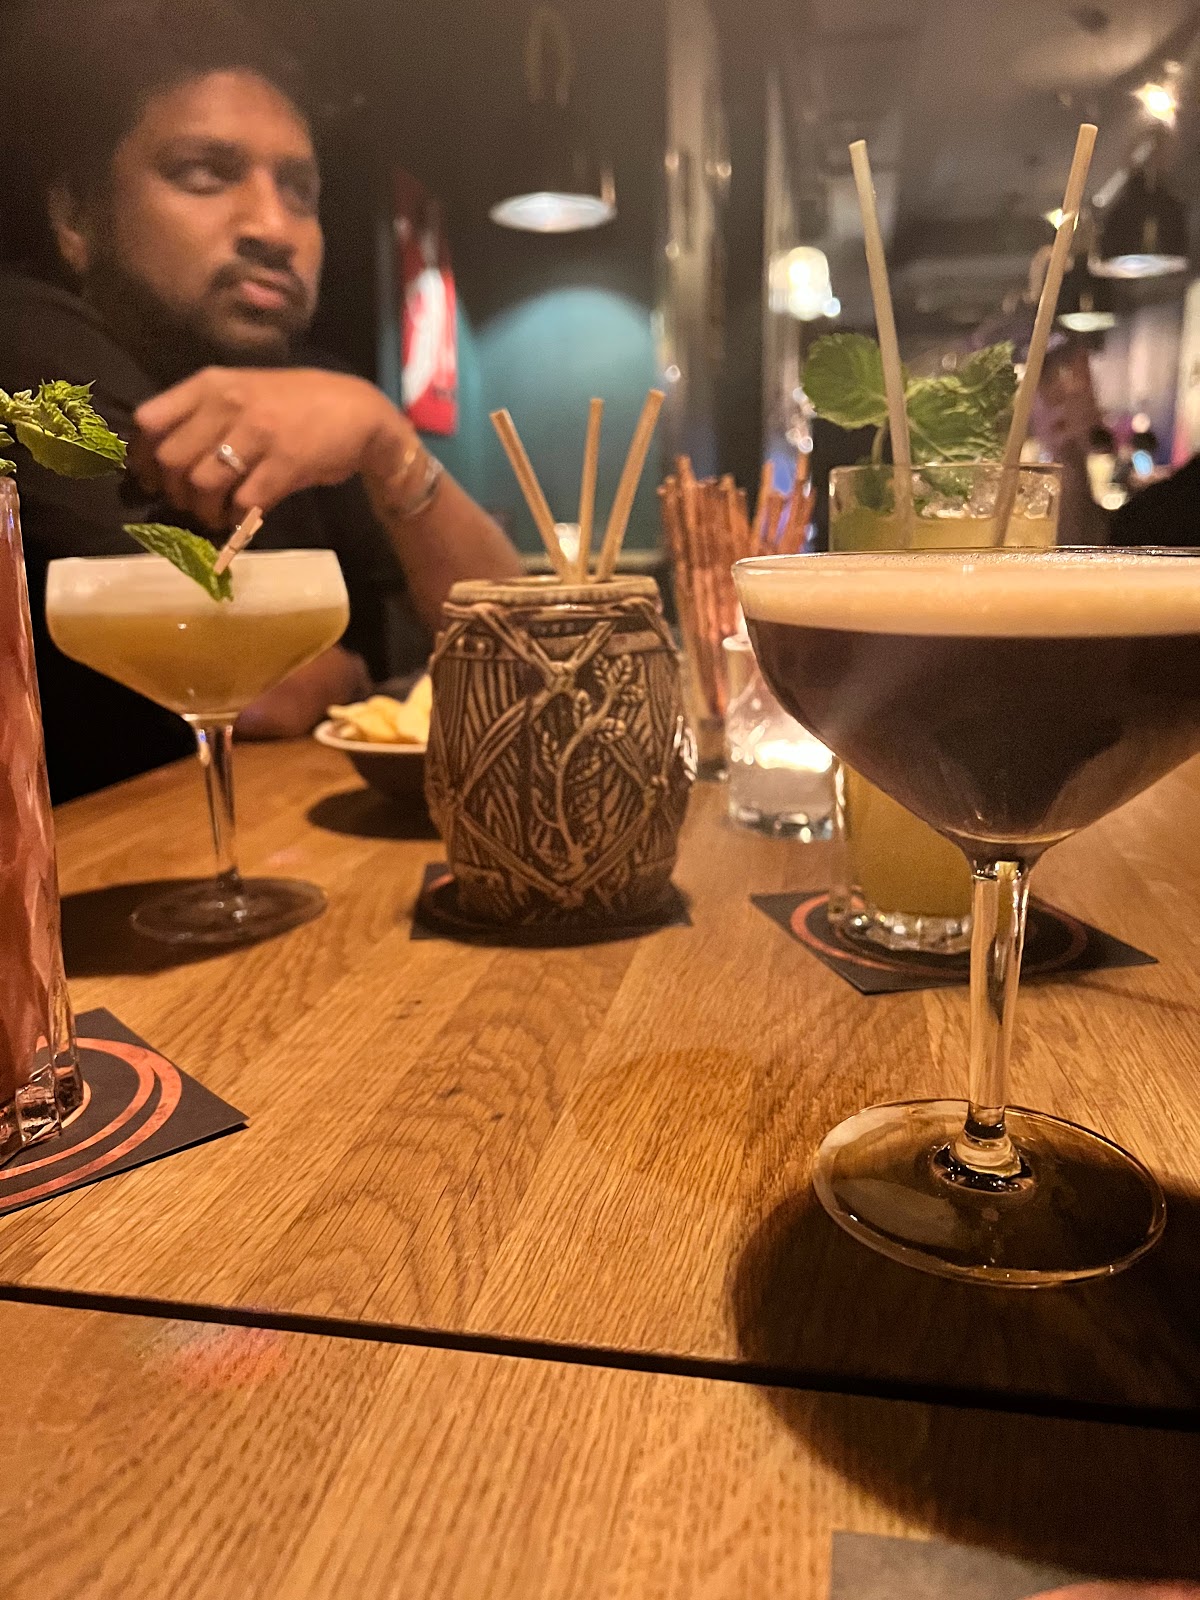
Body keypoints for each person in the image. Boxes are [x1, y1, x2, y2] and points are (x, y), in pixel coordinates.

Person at [1, 0, 521, 802]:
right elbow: (241, 683)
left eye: (301, 191)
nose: (274, 228)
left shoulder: (315, 393)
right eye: (204, 174)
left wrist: (387, 439)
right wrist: (352, 672)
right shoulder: (26, 355)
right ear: (76, 215)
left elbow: (520, 648)